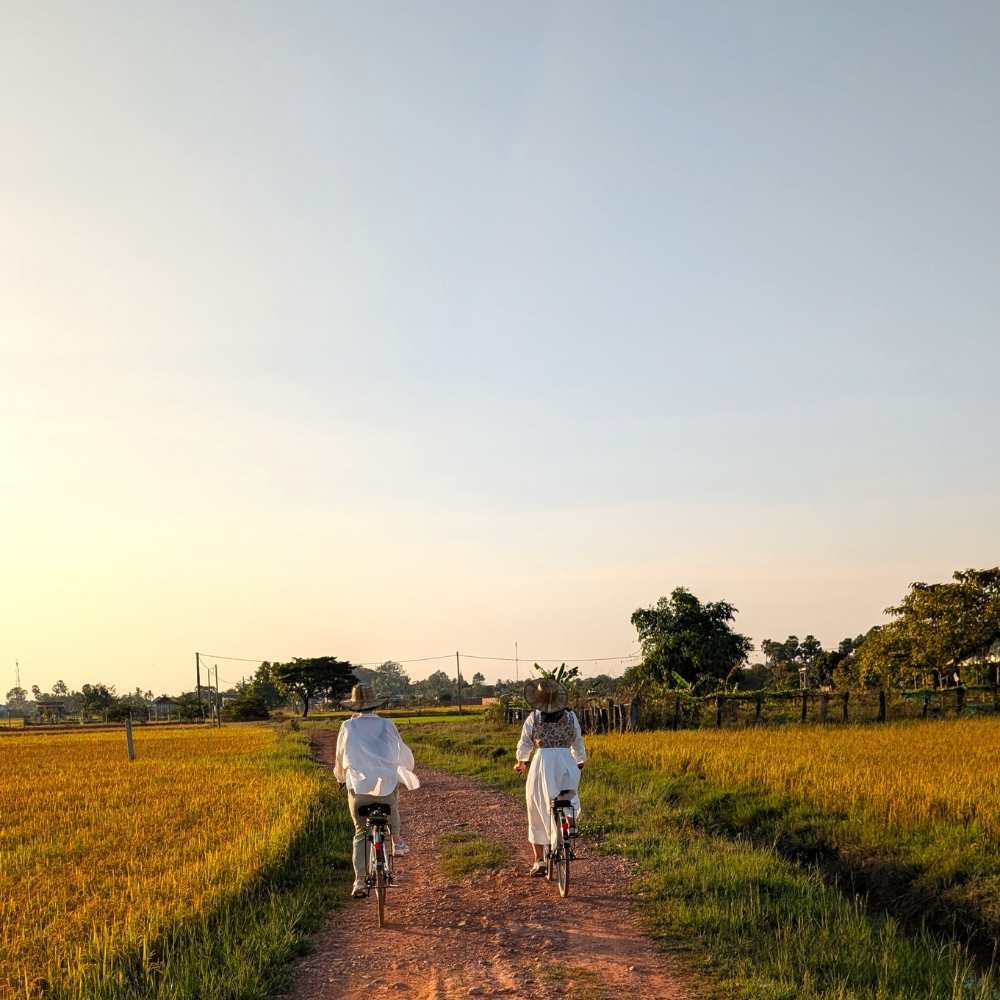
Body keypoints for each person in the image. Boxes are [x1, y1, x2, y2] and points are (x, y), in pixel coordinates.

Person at [334, 683, 420, 898]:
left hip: (359, 790)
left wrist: (340, 778)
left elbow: (339, 757)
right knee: (392, 803)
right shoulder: (387, 724)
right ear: (375, 705)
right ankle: (397, 841)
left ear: (354, 707)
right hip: (386, 785)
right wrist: (401, 771)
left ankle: (360, 882)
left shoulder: (347, 726)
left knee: (360, 832)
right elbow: (400, 750)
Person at [513, 678, 587, 876]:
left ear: (538, 699)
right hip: (567, 764)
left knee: (535, 807)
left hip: (543, 764)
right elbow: (578, 743)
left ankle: (539, 861)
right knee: (567, 799)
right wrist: (579, 761)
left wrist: (521, 762)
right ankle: (568, 827)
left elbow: (525, 743)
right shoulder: (571, 717)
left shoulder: (534, 718)